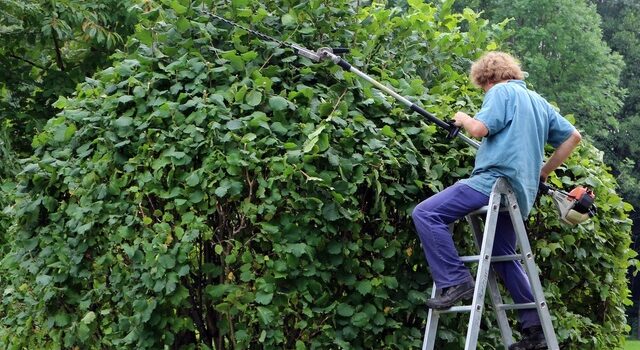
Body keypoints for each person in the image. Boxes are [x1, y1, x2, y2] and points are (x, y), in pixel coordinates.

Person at [411, 51, 581, 350]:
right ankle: (536, 329)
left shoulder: (500, 91)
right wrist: (542, 172)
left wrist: (463, 118)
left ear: (487, 78)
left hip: (492, 183)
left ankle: (456, 280)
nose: (484, 92)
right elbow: (573, 137)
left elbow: (479, 129)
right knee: (503, 257)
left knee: (426, 214)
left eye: (482, 87)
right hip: (519, 192)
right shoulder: (539, 102)